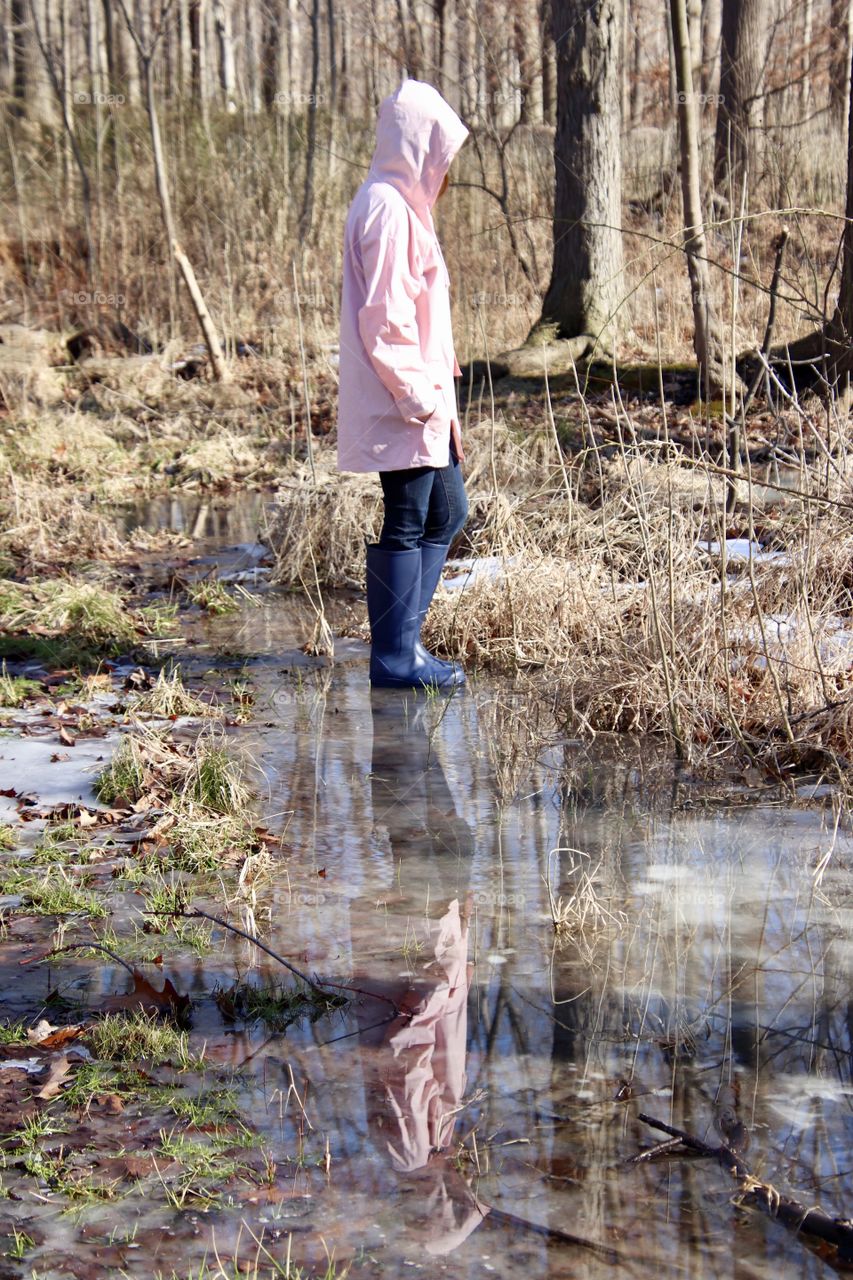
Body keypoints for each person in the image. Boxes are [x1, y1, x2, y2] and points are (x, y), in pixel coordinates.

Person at [337, 80, 469, 690]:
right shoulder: (387, 209)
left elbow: (421, 319)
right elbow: (384, 321)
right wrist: (421, 400)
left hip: (420, 400)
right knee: (413, 518)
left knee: (445, 510)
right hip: (403, 401)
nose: (445, 170)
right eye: (440, 153)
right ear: (416, 146)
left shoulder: (400, 206)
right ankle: (395, 658)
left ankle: (404, 648)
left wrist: (446, 407)